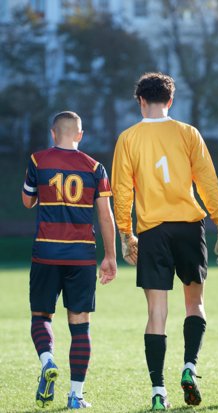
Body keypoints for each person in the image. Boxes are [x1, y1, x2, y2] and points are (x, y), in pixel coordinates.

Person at [111, 72, 218, 410]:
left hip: (152, 230)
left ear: (140, 101)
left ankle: (158, 391)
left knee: (156, 312)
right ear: (170, 101)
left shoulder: (128, 138)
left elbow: (122, 190)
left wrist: (125, 233)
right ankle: (190, 368)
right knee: (195, 304)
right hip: (189, 227)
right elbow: (207, 180)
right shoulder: (187, 133)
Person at [22, 111, 117, 409]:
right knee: (80, 326)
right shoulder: (95, 167)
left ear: (53, 133)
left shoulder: (38, 161)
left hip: (46, 253)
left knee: (41, 317)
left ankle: (48, 360)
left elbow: (27, 201)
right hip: (82, 256)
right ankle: (76, 396)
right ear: (79, 134)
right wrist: (110, 256)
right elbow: (105, 214)